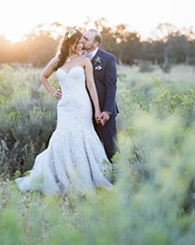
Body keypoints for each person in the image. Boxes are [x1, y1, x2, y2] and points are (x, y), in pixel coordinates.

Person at [16, 28, 113, 195]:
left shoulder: (84, 61)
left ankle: (85, 177)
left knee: (82, 135)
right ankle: (62, 176)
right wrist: (53, 92)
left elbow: (91, 86)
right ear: (70, 42)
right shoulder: (58, 60)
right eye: (79, 42)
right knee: (62, 136)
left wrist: (97, 110)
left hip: (82, 105)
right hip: (64, 107)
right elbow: (43, 76)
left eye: (84, 42)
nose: (82, 45)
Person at [82, 29, 119, 162]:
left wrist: (107, 111)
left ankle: (118, 178)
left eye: (86, 39)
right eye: (83, 37)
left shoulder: (108, 59)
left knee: (111, 148)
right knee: (91, 150)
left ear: (96, 43)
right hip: (85, 111)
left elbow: (111, 86)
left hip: (104, 111)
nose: (82, 40)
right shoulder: (78, 58)